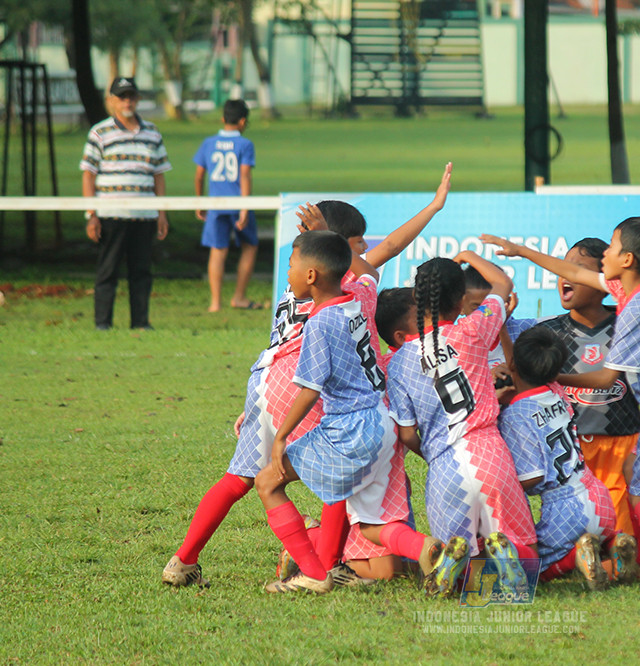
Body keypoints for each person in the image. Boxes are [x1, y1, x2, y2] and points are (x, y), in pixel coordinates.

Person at [161, 166, 451, 588]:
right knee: (339, 478)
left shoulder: (296, 286)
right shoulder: (347, 289)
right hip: (303, 385)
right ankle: (324, 565)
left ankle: (183, 560)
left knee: (239, 479)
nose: (365, 250)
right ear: (337, 248)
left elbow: (278, 344)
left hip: (265, 380)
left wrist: (254, 407)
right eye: (357, 244)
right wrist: (433, 207)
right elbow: (388, 249)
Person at [483, 220, 640, 588]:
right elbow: (576, 272)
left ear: (627, 259)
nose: (606, 252)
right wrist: (520, 251)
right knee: (639, 479)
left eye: (612, 246)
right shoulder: (636, 289)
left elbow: (607, 379)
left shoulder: (635, 310)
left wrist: (551, 379)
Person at [253, 230, 441, 594]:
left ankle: (314, 573)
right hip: (384, 424)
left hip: (351, 430)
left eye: (291, 267)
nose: (288, 275)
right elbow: (368, 272)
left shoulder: (319, 323)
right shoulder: (361, 296)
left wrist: (281, 436)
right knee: (371, 524)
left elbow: (309, 389)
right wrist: (334, 238)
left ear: (311, 275)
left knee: (268, 482)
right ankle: (427, 549)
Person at [386, 254, 538, 597]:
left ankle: (456, 571)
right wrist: (470, 256)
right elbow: (503, 284)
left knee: (457, 559)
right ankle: (509, 560)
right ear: (461, 300)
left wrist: (434, 455)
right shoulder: (473, 329)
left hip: (445, 468)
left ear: (417, 299)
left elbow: (407, 433)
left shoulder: (399, 362)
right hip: (489, 454)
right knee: (523, 547)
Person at [497, 325, 637, 591]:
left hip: (565, 509)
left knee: (536, 569)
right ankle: (614, 545)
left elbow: (533, 477)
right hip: (598, 496)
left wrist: (503, 488)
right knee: (598, 538)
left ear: (513, 364)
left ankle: (577, 557)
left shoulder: (515, 415)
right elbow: (520, 368)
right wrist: (504, 331)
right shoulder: (557, 390)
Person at [535, 238, 640, 538]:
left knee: (621, 539)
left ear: (603, 281)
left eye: (578, 269)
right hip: (569, 449)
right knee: (570, 536)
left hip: (620, 446)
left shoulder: (627, 324)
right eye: (563, 268)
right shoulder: (547, 333)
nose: (565, 275)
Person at [80, 77, 171, 330]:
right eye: (121, 97)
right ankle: (103, 323)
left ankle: (140, 322)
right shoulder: (100, 132)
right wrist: (91, 214)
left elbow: (159, 174)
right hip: (111, 214)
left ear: (138, 99)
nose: (127, 102)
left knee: (141, 271)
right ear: (111, 101)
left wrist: (162, 213)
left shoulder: (152, 133)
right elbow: (88, 175)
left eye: (131, 96)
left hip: (144, 214)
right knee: (107, 270)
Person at [194, 99, 259, 312]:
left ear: (223, 119)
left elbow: (199, 175)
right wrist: (245, 208)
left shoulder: (208, 143)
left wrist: (200, 201)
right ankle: (239, 296)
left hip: (215, 204)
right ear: (243, 122)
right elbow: (245, 175)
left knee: (217, 251)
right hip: (238, 203)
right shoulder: (245, 144)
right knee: (250, 246)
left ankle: (215, 302)